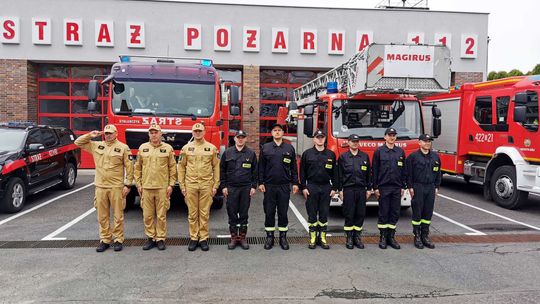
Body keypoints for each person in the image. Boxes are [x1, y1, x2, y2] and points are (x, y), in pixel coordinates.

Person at [74, 124, 133, 252]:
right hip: (100, 186)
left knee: (118, 215)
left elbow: (130, 167)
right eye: (106, 133)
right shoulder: (96, 145)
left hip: (116, 187)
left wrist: (128, 185)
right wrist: (91, 135)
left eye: (110, 133)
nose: (108, 135)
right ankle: (105, 240)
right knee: (102, 215)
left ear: (116, 133)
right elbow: (78, 142)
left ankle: (118, 239)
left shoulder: (123, 148)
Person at [134, 123, 177, 251]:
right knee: (147, 215)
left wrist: (171, 185)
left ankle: (160, 238)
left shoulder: (168, 148)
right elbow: (137, 168)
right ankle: (150, 238)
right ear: (149, 134)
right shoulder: (143, 148)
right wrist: (139, 184)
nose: (154, 134)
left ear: (160, 134)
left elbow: (172, 168)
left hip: (162, 187)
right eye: (151, 132)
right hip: (146, 187)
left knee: (161, 215)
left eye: (156, 132)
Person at [178, 123, 220, 252]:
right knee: (192, 213)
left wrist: (215, 185)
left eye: (200, 131)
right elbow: (181, 167)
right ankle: (193, 238)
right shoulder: (186, 148)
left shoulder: (212, 148)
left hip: (206, 184)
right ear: (192, 132)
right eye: (195, 131)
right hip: (191, 184)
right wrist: (182, 185)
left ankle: (203, 238)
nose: (197, 133)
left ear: (204, 132)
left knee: (204, 213)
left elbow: (216, 167)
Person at [258, 123, 299, 250]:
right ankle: (269, 237)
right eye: (274, 130)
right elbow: (261, 167)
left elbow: (293, 168)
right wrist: (260, 183)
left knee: (283, 212)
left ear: (282, 133)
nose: (277, 132)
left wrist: (295, 183)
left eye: (279, 130)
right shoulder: (265, 148)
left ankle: (283, 237)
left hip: (284, 186)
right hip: (269, 186)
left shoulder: (289, 149)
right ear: (271, 133)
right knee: (269, 212)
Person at [299, 129, 338, 249]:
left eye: (322, 137)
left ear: (325, 139)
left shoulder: (331, 154)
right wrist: (303, 188)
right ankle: (313, 238)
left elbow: (335, 173)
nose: (320, 139)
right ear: (314, 139)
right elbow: (302, 172)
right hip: (312, 186)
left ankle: (322, 238)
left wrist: (334, 188)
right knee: (312, 214)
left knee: (324, 214)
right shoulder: (307, 154)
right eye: (318, 137)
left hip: (326, 187)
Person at [220, 130, 258, 250]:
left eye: (242, 137)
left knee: (243, 213)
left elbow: (255, 172)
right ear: (234, 139)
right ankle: (233, 237)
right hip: (231, 188)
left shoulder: (251, 153)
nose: (240, 139)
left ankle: (242, 237)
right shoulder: (227, 153)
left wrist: (253, 186)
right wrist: (224, 186)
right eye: (238, 137)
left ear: (245, 139)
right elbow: (222, 171)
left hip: (245, 188)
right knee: (232, 213)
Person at [372, 127, 407, 250]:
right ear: (385, 137)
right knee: (384, 212)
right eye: (390, 135)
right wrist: (375, 187)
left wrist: (403, 186)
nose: (392, 137)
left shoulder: (400, 152)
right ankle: (382, 237)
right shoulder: (379, 152)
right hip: (383, 187)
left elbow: (404, 171)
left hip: (396, 187)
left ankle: (391, 237)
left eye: (394, 135)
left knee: (395, 212)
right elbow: (374, 171)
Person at [406, 134, 442, 249]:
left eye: (429, 141)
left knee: (427, 213)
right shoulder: (413, 157)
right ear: (419, 143)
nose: (427, 143)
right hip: (418, 187)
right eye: (425, 141)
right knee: (417, 212)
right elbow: (408, 173)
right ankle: (417, 236)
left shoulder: (435, 157)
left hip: (430, 187)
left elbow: (438, 173)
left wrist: (436, 186)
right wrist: (410, 187)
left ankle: (425, 236)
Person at [338, 134, 372, 249]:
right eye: (353, 141)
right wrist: (340, 190)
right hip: (348, 189)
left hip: (361, 190)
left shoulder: (364, 156)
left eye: (357, 141)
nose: (355, 143)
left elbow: (368, 175)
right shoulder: (343, 157)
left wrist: (369, 189)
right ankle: (349, 238)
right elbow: (339, 174)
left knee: (360, 214)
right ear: (348, 142)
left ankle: (357, 237)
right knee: (349, 214)